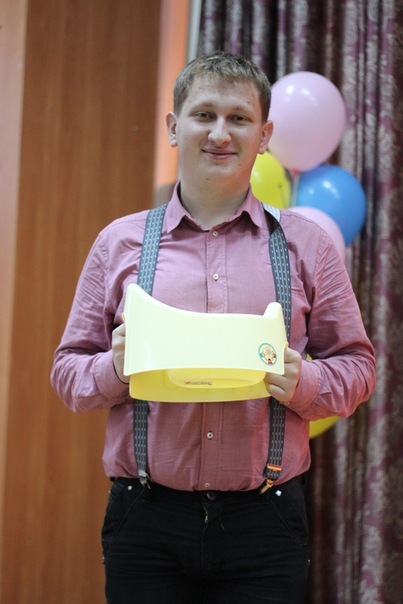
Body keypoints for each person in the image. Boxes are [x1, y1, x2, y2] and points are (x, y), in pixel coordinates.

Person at [51, 52, 376, 603]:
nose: (220, 133)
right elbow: (67, 373)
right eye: (204, 115)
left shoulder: (309, 246)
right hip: (145, 521)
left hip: (266, 525)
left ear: (264, 135)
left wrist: (305, 382)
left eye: (239, 118)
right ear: (174, 127)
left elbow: (359, 368)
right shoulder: (118, 243)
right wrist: (114, 368)